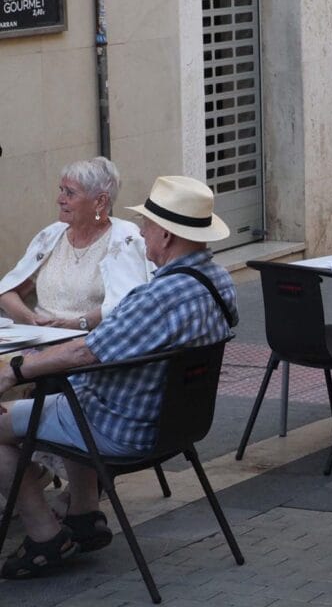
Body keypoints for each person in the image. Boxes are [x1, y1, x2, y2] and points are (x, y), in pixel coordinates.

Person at [0, 175, 236, 580]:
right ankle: (84, 514)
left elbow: (84, 350)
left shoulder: (157, 298)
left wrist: (14, 370)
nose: (141, 234)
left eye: (146, 226)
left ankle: (44, 533)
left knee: (30, 408)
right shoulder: (218, 282)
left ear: (165, 235)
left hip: (123, 428)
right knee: (76, 391)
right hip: (176, 426)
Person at [0, 157, 149, 333]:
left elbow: (130, 304)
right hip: (39, 338)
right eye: (61, 190)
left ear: (100, 201)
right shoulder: (52, 235)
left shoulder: (125, 238)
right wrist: (30, 319)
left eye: (70, 193)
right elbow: (7, 291)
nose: (60, 199)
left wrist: (79, 323)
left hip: (90, 345)